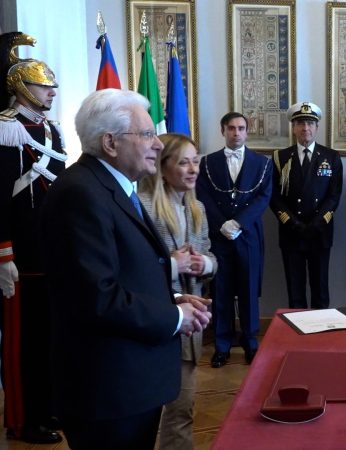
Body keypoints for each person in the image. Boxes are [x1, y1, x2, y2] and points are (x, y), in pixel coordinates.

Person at [41, 89, 212, 449]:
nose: (157, 145)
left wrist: (171, 298)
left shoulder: (110, 188)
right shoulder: (81, 194)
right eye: (147, 134)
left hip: (127, 384)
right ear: (110, 143)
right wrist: (174, 317)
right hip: (107, 390)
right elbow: (96, 297)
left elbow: (125, 272)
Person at [0, 37, 64, 443]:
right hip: (20, 256)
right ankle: (23, 419)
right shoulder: (6, 129)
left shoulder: (51, 130)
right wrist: (4, 254)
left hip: (49, 254)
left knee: (48, 339)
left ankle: (47, 407)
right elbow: (0, 197)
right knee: (23, 343)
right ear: (23, 87)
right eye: (44, 86)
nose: (51, 92)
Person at [139, 133, 218, 449]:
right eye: (184, 162)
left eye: (195, 161)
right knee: (146, 414)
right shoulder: (142, 207)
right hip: (156, 324)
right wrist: (174, 265)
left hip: (190, 327)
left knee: (182, 411)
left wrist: (204, 264)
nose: (193, 169)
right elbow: (135, 270)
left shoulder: (197, 207)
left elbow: (210, 255)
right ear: (163, 166)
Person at [196, 112, 272, 368]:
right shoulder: (208, 162)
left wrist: (238, 223)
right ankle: (222, 345)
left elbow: (264, 197)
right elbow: (203, 195)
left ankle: (250, 343)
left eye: (241, 128)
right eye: (231, 128)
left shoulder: (262, 163)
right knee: (221, 290)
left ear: (247, 131)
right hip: (218, 238)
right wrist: (221, 224)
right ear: (223, 131)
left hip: (248, 235)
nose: (236, 133)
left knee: (249, 289)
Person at [271, 102, 342, 309]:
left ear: (317, 127)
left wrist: (317, 223)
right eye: (300, 123)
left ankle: (321, 329)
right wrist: (293, 223)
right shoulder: (280, 157)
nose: (305, 128)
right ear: (293, 127)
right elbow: (274, 197)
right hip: (291, 232)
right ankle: (296, 329)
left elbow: (334, 196)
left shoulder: (331, 157)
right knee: (295, 292)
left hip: (320, 232)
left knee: (320, 290)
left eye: (310, 123)